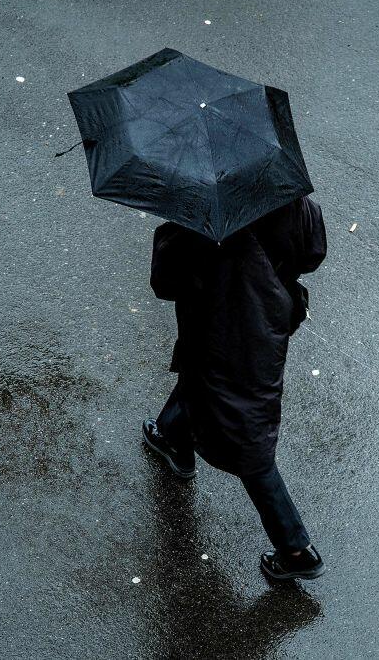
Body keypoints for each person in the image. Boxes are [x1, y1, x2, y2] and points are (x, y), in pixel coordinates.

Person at [141, 194, 328, 581]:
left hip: (223, 332)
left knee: (245, 433)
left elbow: (166, 279)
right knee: (211, 389)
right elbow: (312, 251)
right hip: (267, 323)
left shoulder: (202, 211)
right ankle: (174, 436)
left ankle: (295, 547)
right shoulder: (288, 196)